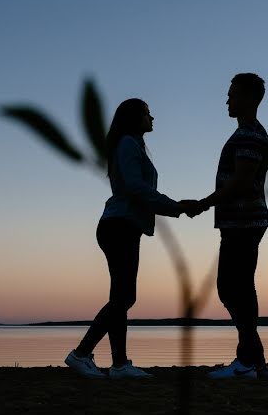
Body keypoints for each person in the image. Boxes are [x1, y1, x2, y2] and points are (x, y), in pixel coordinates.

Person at [65, 98, 199, 379]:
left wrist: (173, 207)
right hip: (119, 226)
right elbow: (136, 187)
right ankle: (81, 354)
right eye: (148, 114)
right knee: (124, 297)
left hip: (124, 226)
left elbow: (138, 189)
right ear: (134, 117)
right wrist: (174, 207)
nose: (152, 119)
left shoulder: (132, 145)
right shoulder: (127, 143)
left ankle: (119, 364)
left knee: (122, 297)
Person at [192, 73, 268, 379]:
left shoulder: (249, 136)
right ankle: (256, 362)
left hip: (244, 221)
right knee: (239, 287)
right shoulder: (249, 133)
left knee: (230, 287)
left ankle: (248, 362)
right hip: (242, 220)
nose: (228, 100)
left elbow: (240, 183)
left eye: (233, 94)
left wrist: (203, 203)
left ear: (250, 99)